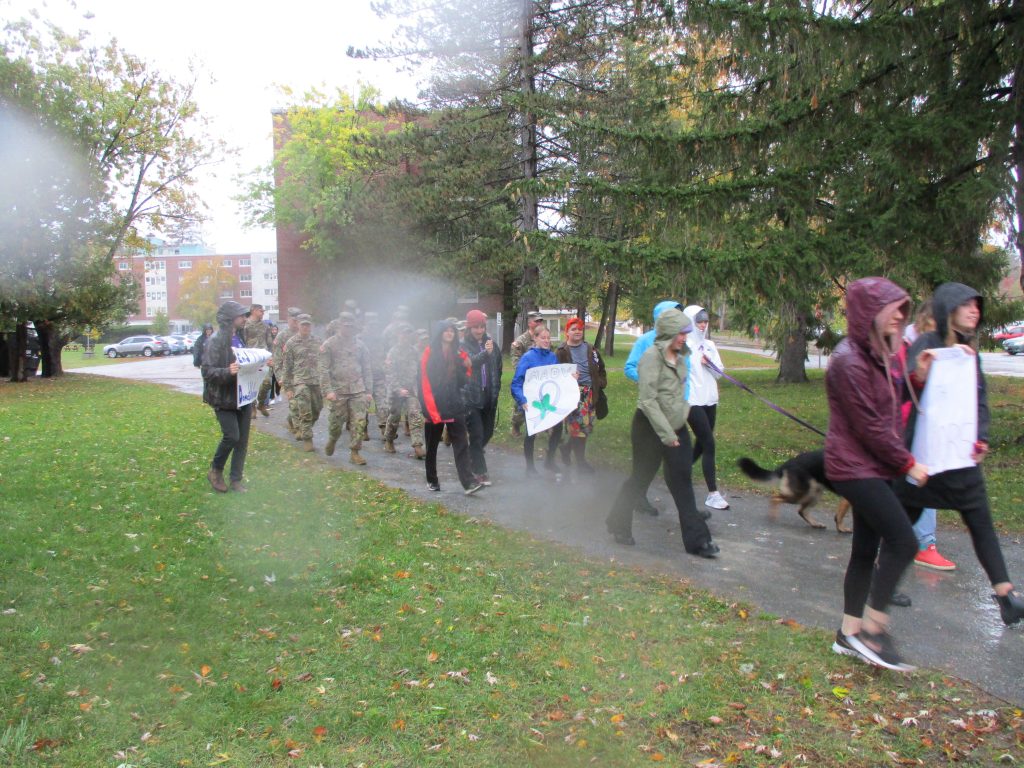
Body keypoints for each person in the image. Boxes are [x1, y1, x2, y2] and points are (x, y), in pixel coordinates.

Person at [896, 282, 1024, 626]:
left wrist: (980, 438)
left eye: (977, 306)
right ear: (948, 309)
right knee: (901, 525)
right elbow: (904, 389)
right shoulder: (924, 344)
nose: (975, 311)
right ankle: (880, 578)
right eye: (967, 305)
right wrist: (921, 371)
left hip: (960, 460)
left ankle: (1005, 594)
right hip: (925, 459)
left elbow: (978, 400)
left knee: (981, 522)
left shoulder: (970, 351)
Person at [825, 277, 928, 671]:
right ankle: (872, 632)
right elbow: (871, 426)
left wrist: (915, 377)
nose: (900, 317)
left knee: (865, 550)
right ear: (871, 313)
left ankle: (847, 634)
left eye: (904, 309)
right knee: (903, 542)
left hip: (872, 465)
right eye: (893, 309)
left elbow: (891, 404)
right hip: (854, 468)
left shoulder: (877, 354)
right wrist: (907, 462)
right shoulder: (849, 360)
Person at [605, 307, 718, 557]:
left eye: (686, 333)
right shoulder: (650, 359)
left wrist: (682, 418)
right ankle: (618, 522)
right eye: (680, 333)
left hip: (676, 427)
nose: (684, 337)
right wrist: (668, 435)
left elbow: (679, 393)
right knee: (640, 478)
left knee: (682, 481)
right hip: (649, 428)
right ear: (667, 333)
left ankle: (699, 542)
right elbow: (648, 401)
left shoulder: (682, 355)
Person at [898, 300, 955, 571]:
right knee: (915, 481)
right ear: (926, 321)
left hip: (924, 428)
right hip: (903, 429)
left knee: (919, 481)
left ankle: (919, 542)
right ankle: (921, 543)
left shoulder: (941, 348)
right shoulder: (906, 346)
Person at [623, 300, 683, 515]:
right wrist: (650, 380)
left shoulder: (680, 342)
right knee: (645, 464)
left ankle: (688, 511)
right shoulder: (645, 342)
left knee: (675, 464)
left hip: (676, 410)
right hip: (651, 412)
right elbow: (629, 367)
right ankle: (628, 505)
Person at [419, 319, 483, 495]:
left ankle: (469, 483)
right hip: (434, 406)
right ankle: (432, 480)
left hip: (454, 405)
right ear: (440, 333)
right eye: (446, 330)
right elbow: (424, 382)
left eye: (452, 331)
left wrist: (467, 367)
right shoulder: (429, 353)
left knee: (461, 444)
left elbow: (463, 380)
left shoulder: (458, 354)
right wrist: (429, 410)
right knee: (432, 447)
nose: (449, 333)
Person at [201, 301, 253, 493]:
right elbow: (207, 371)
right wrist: (227, 371)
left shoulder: (239, 337)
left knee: (242, 441)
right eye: (242, 315)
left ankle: (236, 480)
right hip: (223, 398)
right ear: (231, 318)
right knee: (232, 436)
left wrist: (260, 364)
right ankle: (215, 470)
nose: (245, 318)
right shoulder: (215, 341)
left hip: (243, 397)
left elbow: (244, 362)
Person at [682, 305, 729, 511]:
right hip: (692, 401)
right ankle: (713, 494)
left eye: (705, 321)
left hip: (710, 399)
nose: (702, 325)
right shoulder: (683, 345)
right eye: (698, 321)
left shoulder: (709, 344)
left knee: (702, 442)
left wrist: (709, 363)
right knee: (709, 443)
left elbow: (720, 373)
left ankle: (681, 470)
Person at [319, 312, 373, 465]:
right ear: (339, 325)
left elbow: (367, 368)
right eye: (345, 326)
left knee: (359, 422)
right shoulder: (329, 344)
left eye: (351, 327)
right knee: (336, 424)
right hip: (338, 391)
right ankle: (332, 439)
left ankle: (355, 452)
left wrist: (368, 391)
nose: (348, 329)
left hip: (358, 390)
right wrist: (328, 390)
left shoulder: (361, 345)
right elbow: (323, 369)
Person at [510, 325, 565, 476]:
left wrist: (570, 378)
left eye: (548, 338)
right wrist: (522, 400)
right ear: (535, 339)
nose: (547, 341)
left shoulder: (552, 357)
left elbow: (558, 379)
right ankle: (530, 467)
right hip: (533, 403)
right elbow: (516, 383)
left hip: (549, 402)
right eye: (543, 338)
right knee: (531, 433)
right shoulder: (527, 358)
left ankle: (550, 460)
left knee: (558, 429)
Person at [555, 317, 606, 474]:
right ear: (567, 332)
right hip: (572, 394)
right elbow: (555, 374)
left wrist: (601, 382)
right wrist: (567, 380)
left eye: (580, 329)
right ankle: (581, 462)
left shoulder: (591, 349)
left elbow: (601, 368)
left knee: (585, 427)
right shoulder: (561, 351)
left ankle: (566, 448)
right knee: (579, 428)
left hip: (590, 393)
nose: (577, 332)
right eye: (573, 329)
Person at [461, 309, 503, 485]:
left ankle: (470, 456)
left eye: (482, 327)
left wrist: (495, 388)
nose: (479, 331)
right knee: (477, 435)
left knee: (487, 433)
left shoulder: (492, 344)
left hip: (489, 396)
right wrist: (485, 353)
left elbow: (499, 367)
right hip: (471, 396)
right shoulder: (463, 346)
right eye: (476, 327)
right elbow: (470, 363)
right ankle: (480, 471)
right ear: (469, 328)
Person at [281, 314, 323, 453]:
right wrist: (288, 387)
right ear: (298, 325)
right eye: (303, 324)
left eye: (308, 325)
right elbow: (287, 367)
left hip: (316, 381)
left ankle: (299, 425)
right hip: (300, 382)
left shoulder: (318, 342)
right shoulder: (291, 343)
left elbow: (325, 362)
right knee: (306, 411)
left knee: (317, 409)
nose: (305, 327)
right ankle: (307, 439)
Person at [384, 323, 426, 459]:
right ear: (398, 335)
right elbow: (390, 374)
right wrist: (398, 389)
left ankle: (418, 446)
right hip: (396, 392)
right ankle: (389, 440)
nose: (406, 337)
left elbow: (420, 371)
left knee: (415, 415)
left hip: (411, 390)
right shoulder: (392, 352)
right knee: (394, 417)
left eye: (408, 334)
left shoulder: (414, 352)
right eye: (403, 334)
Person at [508, 311, 545, 437]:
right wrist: (526, 375)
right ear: (530, 323)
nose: (539, 323)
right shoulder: (521, 341)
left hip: (541, 378)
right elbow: (516, 361)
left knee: (541, 402)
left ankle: (540, 427)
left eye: (541, 321)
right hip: (525, 379)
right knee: (521, 406)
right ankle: (516, 426)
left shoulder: (543, 338)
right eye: (536, 321)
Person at [273, 308, 303, 436]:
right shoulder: (282, 336)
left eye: (298, 320)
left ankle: (291, 419)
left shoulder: (304, 334)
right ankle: (298, 430)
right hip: (288, 375)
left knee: (305, 403)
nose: (295, 323)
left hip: (303, 375)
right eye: (293, 320)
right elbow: (277, 360)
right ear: (288, 319)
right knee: (294, 403)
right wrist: (280, 377)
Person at [243, 304, 274, 417]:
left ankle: (261, 404)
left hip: (264, 358)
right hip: (251, 358)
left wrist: (271, 356)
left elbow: (269, 342)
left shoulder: (265, 326)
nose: (263, 313)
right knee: (252, 383)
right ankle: (252, 408)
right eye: (261, 311)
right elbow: (243, 342)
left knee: (267, 383)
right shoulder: (245, 325)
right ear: (253, 311)